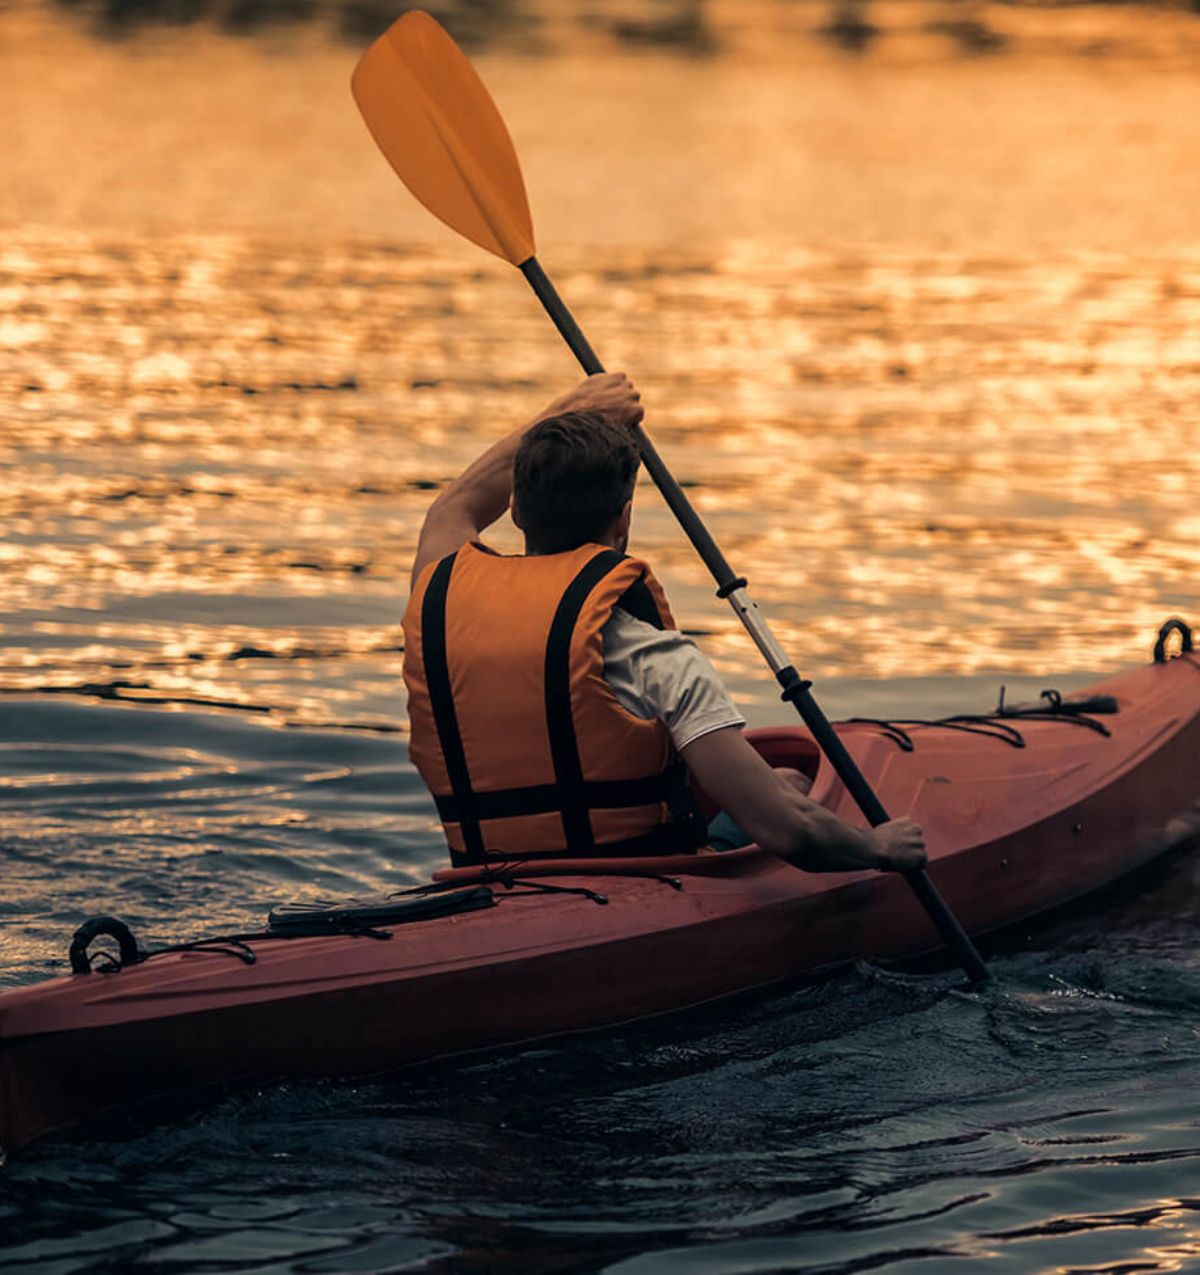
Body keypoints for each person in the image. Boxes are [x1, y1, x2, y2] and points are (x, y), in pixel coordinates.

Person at [402, 372, 926, 874]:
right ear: (624, 518)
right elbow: (787, 832)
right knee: (788, 788)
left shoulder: (439, 593)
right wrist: (878, 848)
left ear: (516, 509)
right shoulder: (655, 658)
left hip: (480, 880)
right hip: (637, 886)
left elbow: (456, 503)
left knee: (784, 776)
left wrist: (572, 408)